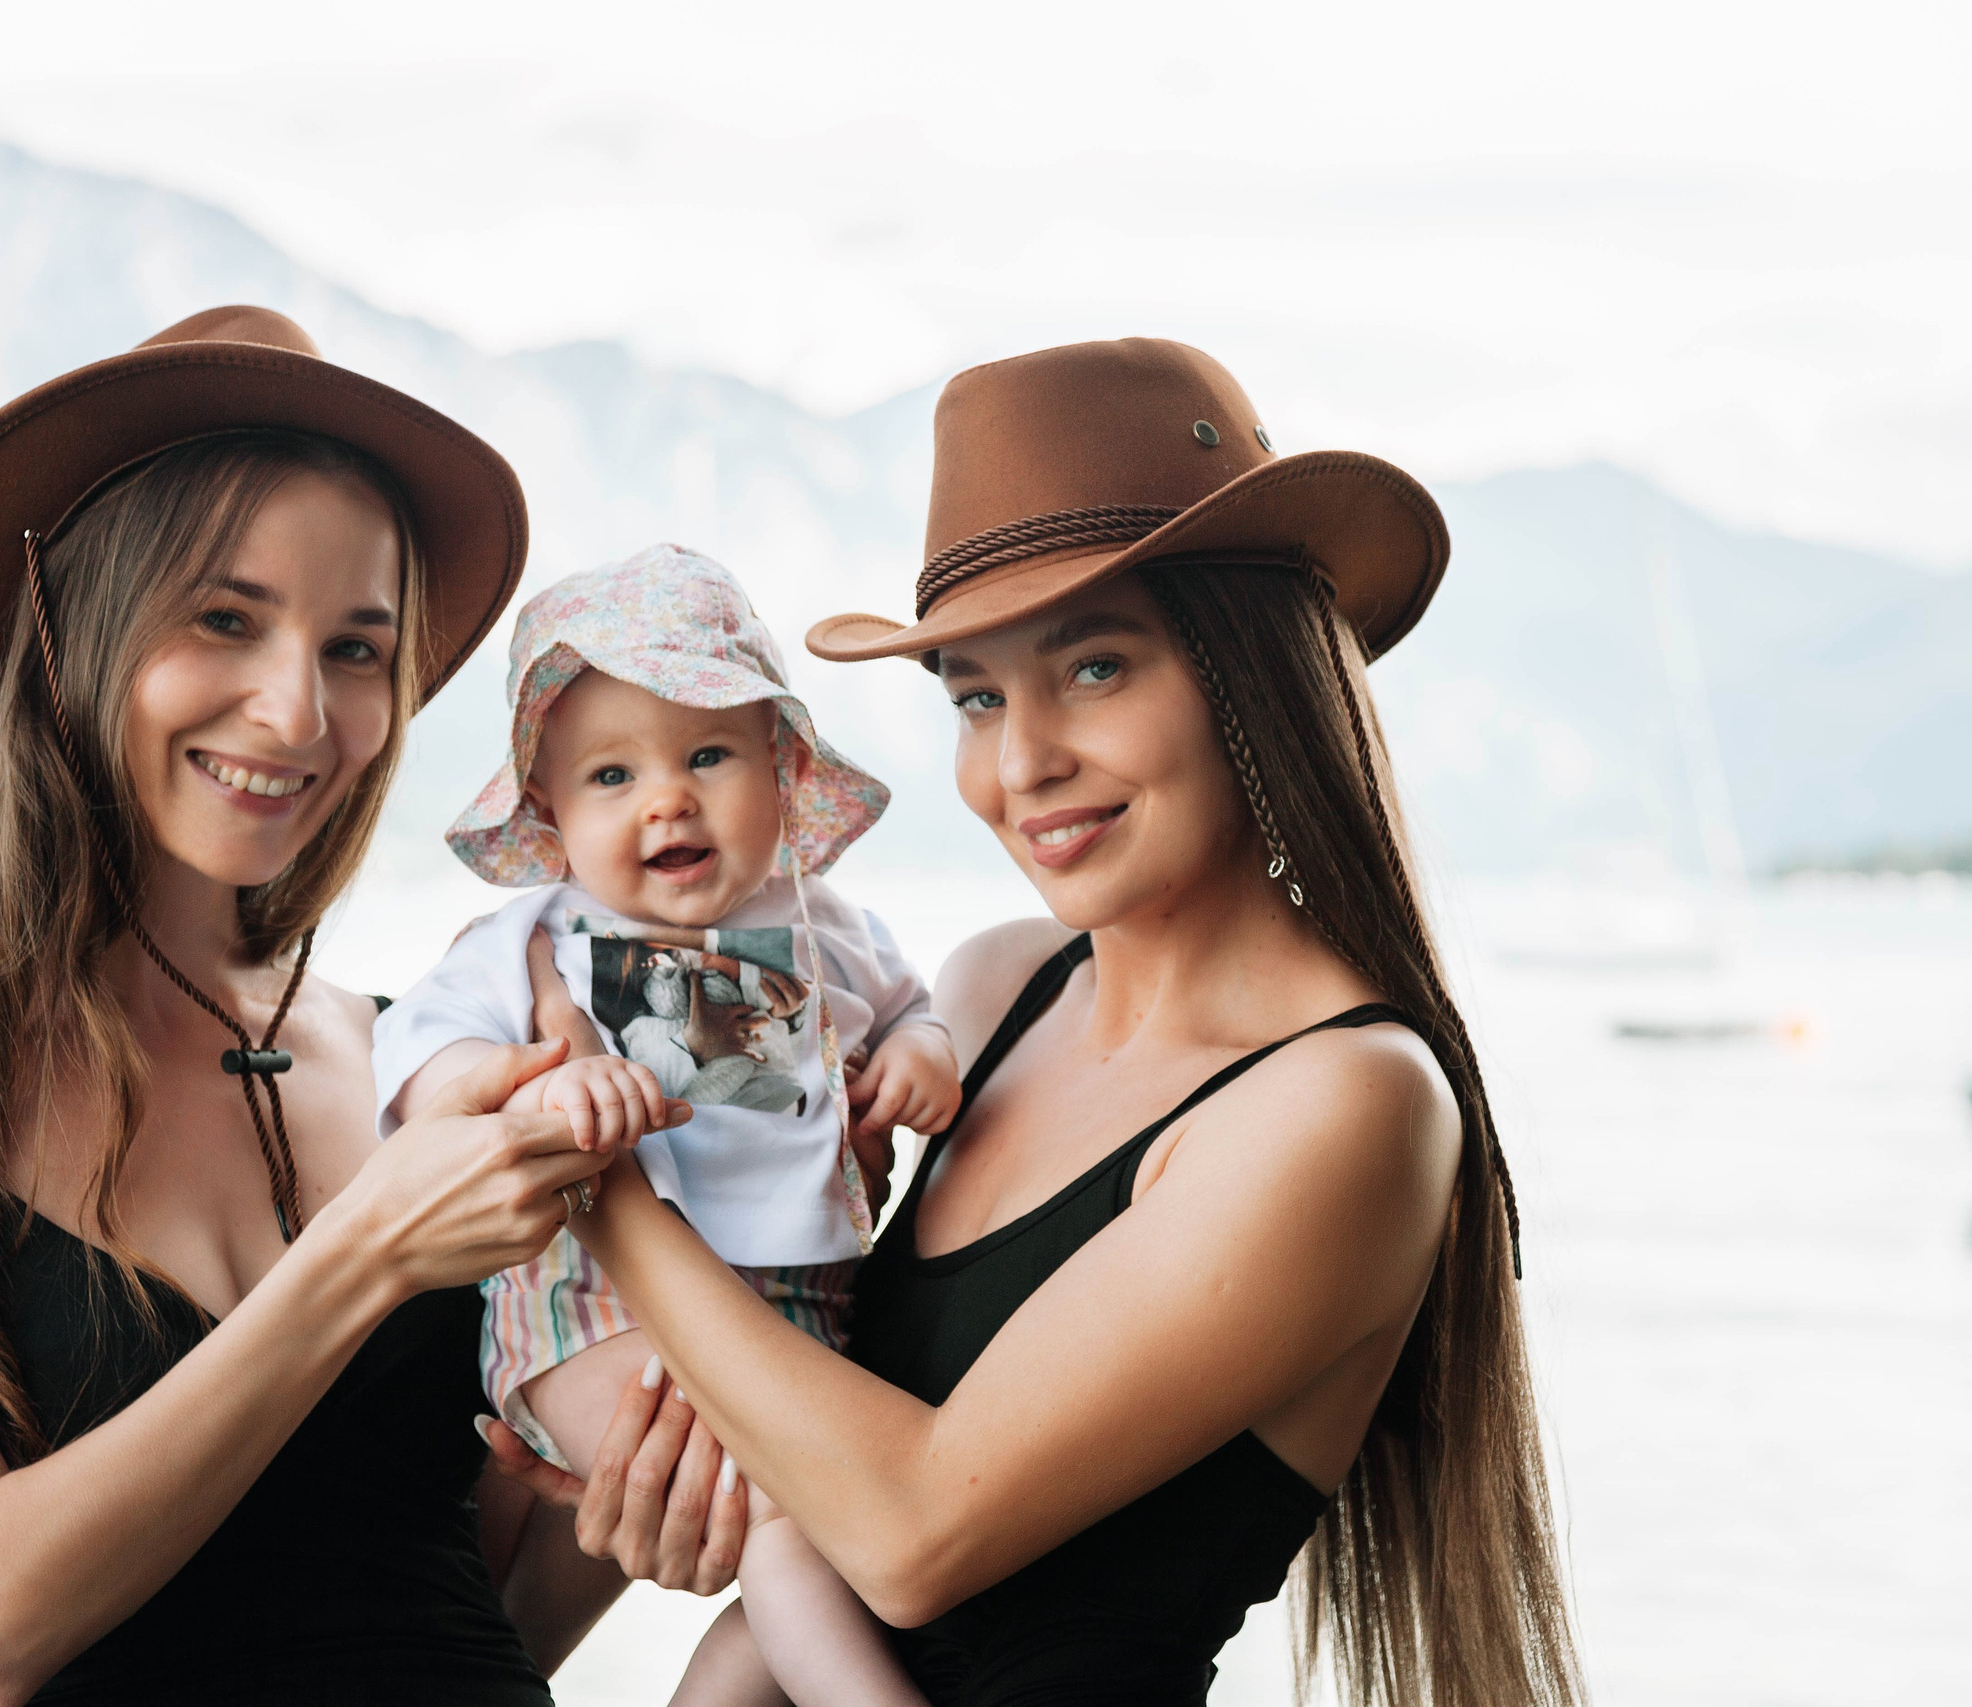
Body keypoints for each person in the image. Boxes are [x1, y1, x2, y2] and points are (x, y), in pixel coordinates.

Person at [497, 339, 1586, 1707]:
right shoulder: (994, 983)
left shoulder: (1351, 1100)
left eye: (1095, 668)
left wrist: (588, 1182)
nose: (1021, 765)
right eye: (976, 695)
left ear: (1253, 674)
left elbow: (908, 1532)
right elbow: (713, 1211)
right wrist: (636, 1453)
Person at [0, 307, 661, 1706]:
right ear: (72, 635)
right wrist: (367, 1250)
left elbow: (460, 1613)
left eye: (358, 649)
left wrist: (641, 1491)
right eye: (225, 618)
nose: (297, 711)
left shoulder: (418, 1053)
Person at [378, 544, 962, 1706]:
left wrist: (916, 1062)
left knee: (823, 1541)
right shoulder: (537, 941)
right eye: (610, 777)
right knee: (800, 1518)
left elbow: (913, 1009)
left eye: (707, 756)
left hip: (794, 1307)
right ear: (546, 806)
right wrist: (527, 1080)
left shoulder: (826, 924)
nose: (666, 798)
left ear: (780, 767)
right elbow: (416, 1067)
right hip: (592, 1324)